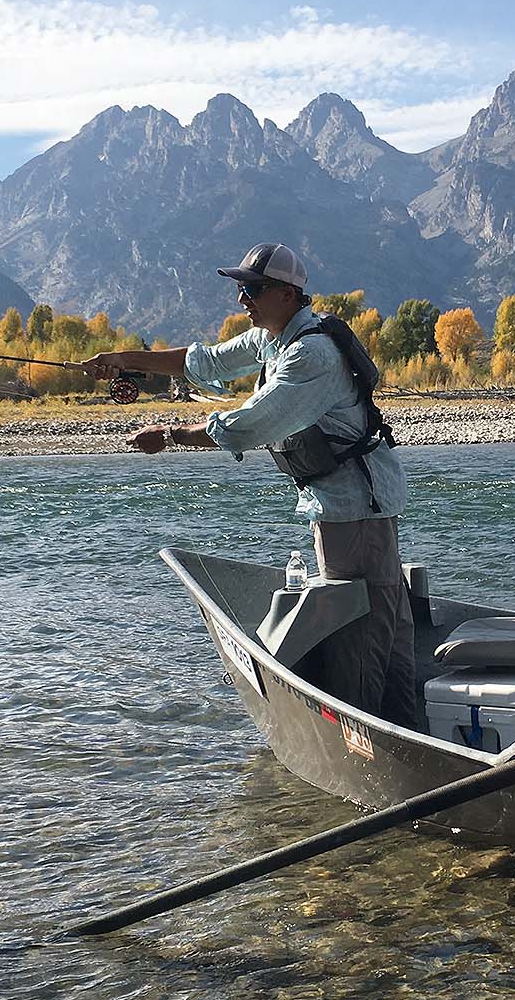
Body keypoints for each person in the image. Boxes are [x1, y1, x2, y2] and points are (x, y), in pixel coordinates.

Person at [79, 242, 416, 725]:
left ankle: (374, 737)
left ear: (286, 293)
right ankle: (393, 724)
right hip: (341, 505)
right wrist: (122, 359)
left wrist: (171, 436)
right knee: (380, 618)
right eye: (241, 288)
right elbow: (205, 363)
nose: (242, 299)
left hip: (355, 508)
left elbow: (252, 425)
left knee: (362, 627)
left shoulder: (312, 355)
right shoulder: (272, 341)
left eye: (252, 289)